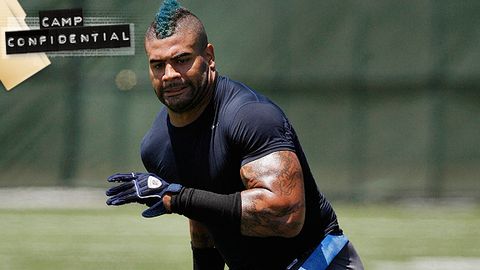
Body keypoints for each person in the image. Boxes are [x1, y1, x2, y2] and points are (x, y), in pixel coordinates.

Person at [105, 0, 364, 269]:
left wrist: (178, 198)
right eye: (157, 65)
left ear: (209, 57)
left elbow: (286, 216)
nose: (169, 75)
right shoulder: (157, 145)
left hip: (318, 263)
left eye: (181, 60)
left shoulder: (250, 116)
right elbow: (203, 216)